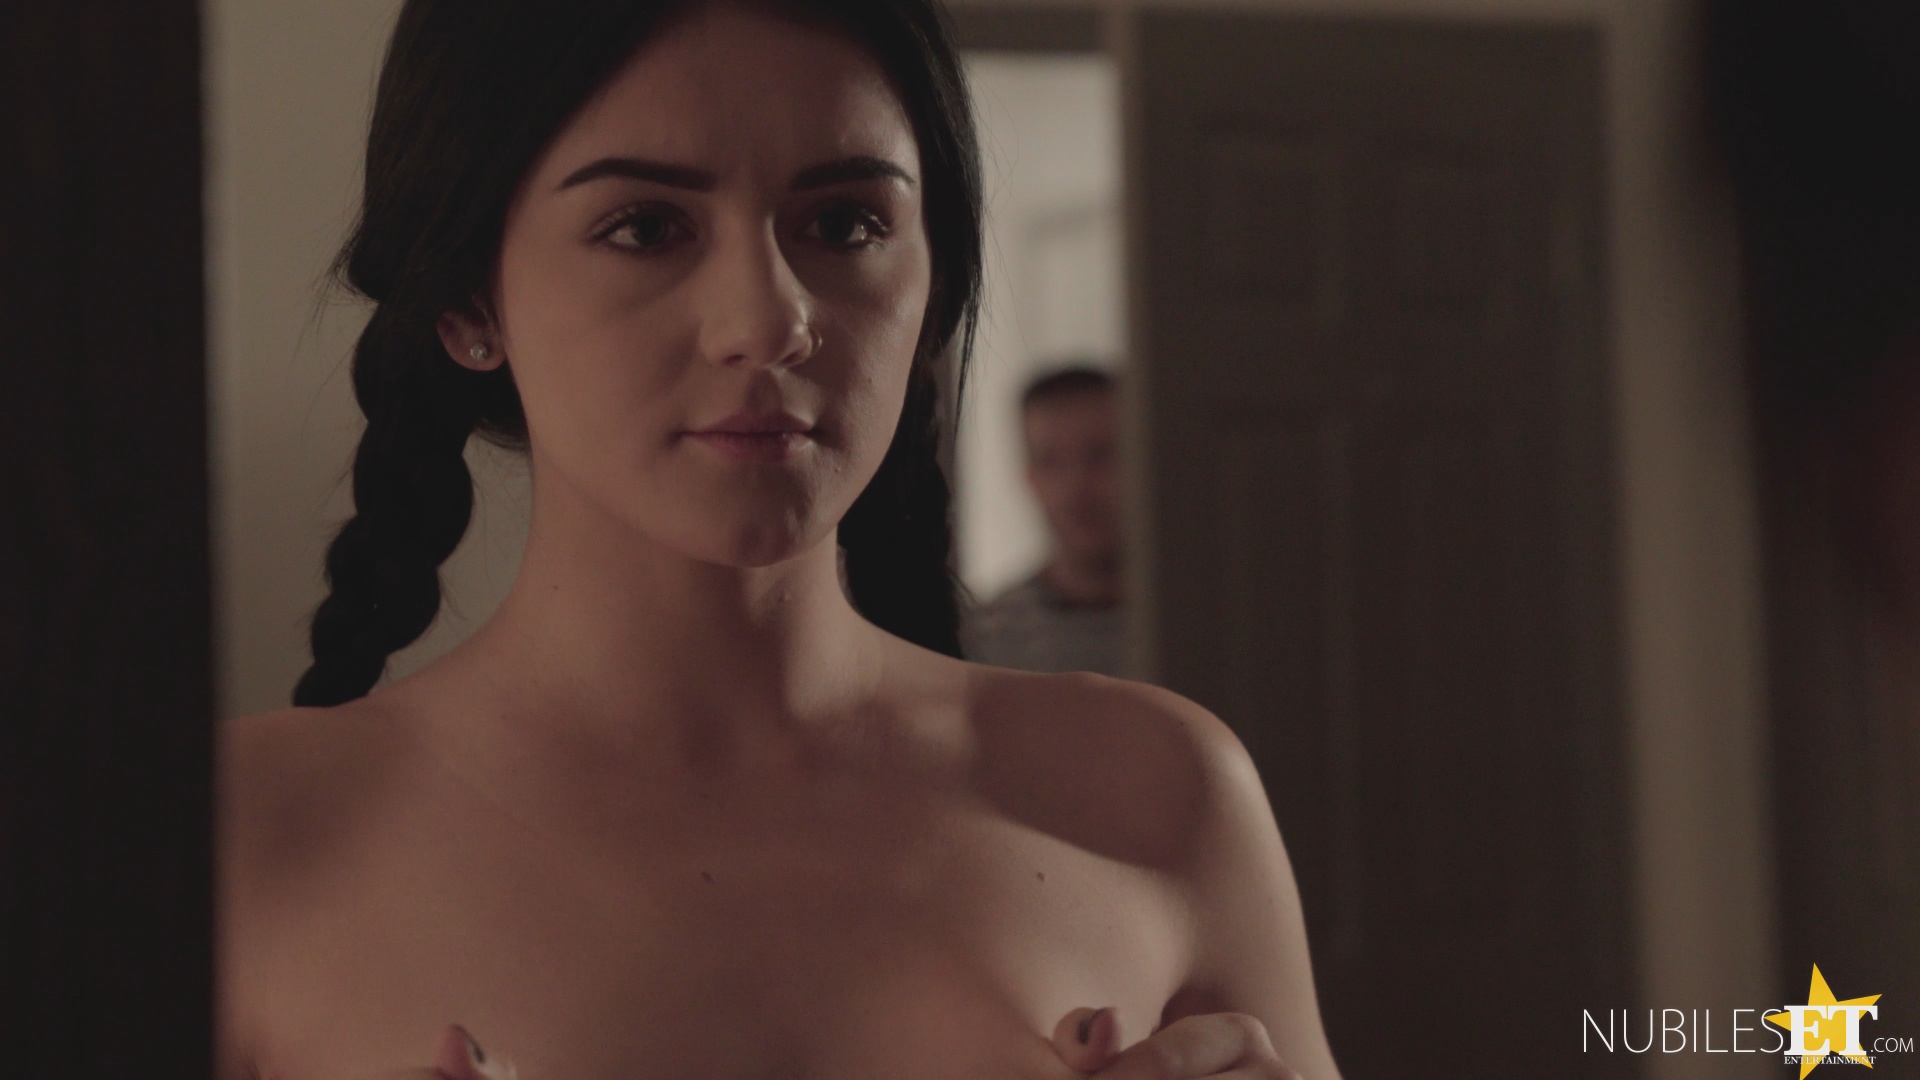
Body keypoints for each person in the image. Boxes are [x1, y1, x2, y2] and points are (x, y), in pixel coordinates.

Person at [215, 2, 1342, 1078]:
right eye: (645, 227)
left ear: (935, 276)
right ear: (468, 303)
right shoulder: (240, 838)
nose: (768, 321)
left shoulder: (1156, 793)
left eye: (846, 223)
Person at [963, 365, 1128, 677]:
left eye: (1100, 454)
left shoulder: (1201, 615)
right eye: (1049, 460)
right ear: (1030, 478)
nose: (1076, 484)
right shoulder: (986, 639)